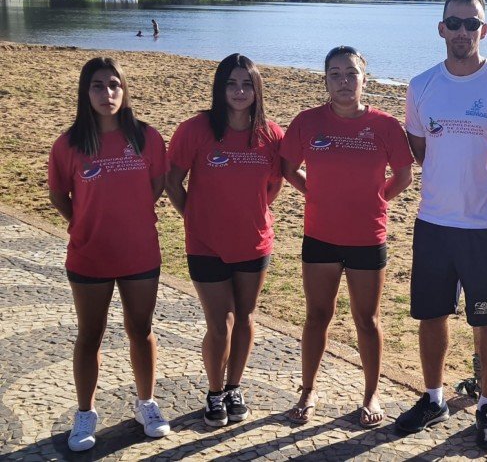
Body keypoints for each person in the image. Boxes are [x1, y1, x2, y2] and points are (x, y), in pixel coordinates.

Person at [395, 0, 487, 451]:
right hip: (433, 222)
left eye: (471, 24)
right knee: (432, 315)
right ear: (441, 28)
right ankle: (433, 397)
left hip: (486, 227)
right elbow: (419, 149)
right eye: (454, 23)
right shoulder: (422, 85)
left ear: (484, 30)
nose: (462, 31)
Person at [281, 46, 414, 427]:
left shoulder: (386, 126)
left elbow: (403, 176)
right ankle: (308, 389)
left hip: (368, 238)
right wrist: (315, 194)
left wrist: (376, 200)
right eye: (335, 74)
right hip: (320, 236)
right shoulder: (307, 122)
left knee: (367, 319)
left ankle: (370, 392)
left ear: (364, 80)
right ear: (324, 80)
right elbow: (289, 169)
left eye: (351, 74)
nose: (343, 81)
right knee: (317, 315)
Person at [48, 57, 171, 452]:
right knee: (90, 334)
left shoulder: (147, 137)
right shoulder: (68, 144)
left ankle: (146, 404)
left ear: (125, 89)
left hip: (140, 253)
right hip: (89, 255)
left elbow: (155, 187)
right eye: (98, 86)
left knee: (141, 328)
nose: (107, 93)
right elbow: (58, 196)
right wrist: (84, 222)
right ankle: (85, 412)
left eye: (114, 85)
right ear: (86, 93)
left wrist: (130, 218)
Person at [165, 53, 284, 427]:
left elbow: (274, 185)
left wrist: (251, 214)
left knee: (246, 317)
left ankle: (234, 387)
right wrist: (195, 217)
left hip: (253, 243)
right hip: (206, 245)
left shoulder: (271, 134)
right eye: (231, 84)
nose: (239, 91)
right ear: (220, 87)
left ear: (257, 90)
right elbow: (172, 181)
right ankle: (214, 392)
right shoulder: (195, 129)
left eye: (247, 84)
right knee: (220, 323)